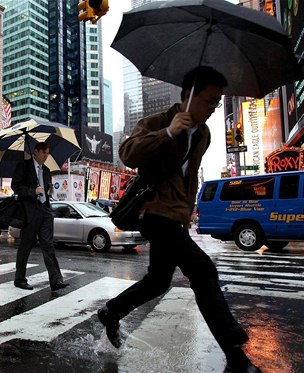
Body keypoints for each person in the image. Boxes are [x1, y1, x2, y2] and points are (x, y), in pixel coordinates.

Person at [97, 66, 260, 373]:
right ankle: (235, 354)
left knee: (158, 281)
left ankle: (112, 311)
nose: (213, 108)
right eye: (209, 101)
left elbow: (188, 180)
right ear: (188, 95)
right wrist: (169, 132)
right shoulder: (158, 121)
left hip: (176, 217)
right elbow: (128, 153)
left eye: (216, 102)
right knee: (203, 271)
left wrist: (186, 214)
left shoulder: (204, 134)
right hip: (153, 212)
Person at [11, 142, 68, 292]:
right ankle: (20, 279)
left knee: (49, 246)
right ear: (36, 152)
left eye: (48, 153)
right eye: (44, 153)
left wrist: (46, 191)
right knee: (26, 245)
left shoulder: (46, 170)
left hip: (45, 211)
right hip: (30, 212)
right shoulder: (24, 166)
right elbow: (15, 186)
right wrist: (32, 191)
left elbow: (45, 189)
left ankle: (55, 280)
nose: (46, 156)